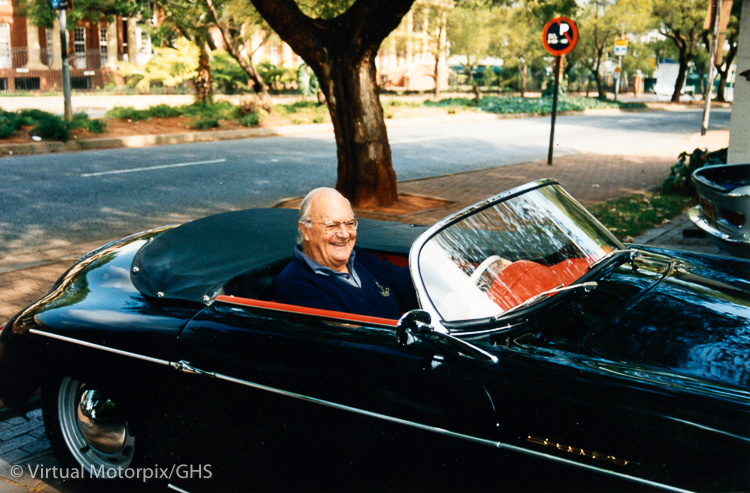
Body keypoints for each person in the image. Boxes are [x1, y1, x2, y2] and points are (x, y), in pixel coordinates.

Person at [273, 187, 417, 319]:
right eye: (332, 225)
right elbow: (353, 336)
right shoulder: (295, 284)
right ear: (305, 230)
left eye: (349, 224)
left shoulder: (357, 256)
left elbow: (407, 285)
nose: (344, 234)